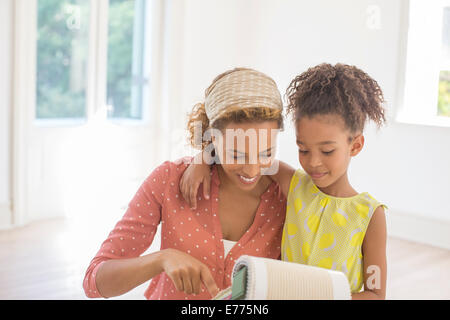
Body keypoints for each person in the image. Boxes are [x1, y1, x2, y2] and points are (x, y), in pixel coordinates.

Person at [180, 63, 388, 299]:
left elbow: (375, 294)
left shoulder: (370, 215)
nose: (313, 163)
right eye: (303, 149)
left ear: (356, 145)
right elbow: (239, 154)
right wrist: (201, 160)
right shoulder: (294, 185)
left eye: (327, 151)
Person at [82, 67, 287, 300]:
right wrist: (162, 259)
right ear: (211, 138)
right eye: (237, 155)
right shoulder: (169, 180)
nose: (252, 170)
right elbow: (94, 281)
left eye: (266, 152)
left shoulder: (286, 199)